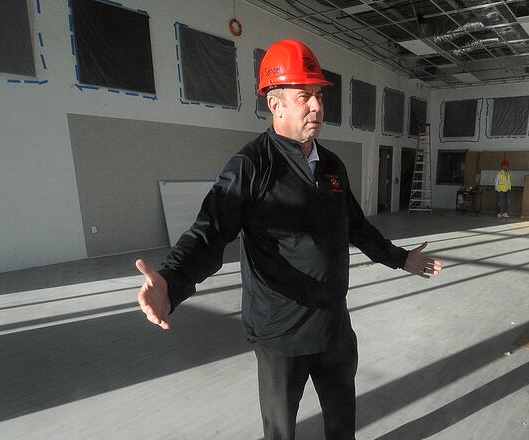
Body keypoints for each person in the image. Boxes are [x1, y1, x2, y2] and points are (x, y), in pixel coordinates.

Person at [134, 40, 442, 440]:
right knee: (281, 431)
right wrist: (172, 282)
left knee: (341, 423)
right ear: (275, 104)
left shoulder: (331, 166)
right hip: (281, 334)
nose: (316, 107)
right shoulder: (251, 166)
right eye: (303, 97)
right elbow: (210, 231)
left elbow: (357, 226)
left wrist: (401, 259)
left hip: (333, 325)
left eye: (318, 96)